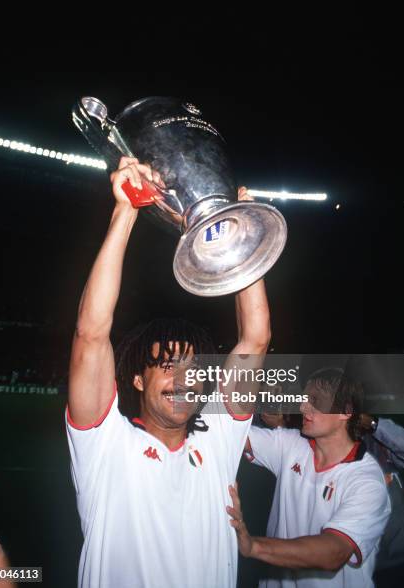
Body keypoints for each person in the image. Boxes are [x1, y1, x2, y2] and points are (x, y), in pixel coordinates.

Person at [66, 157, 271, 588]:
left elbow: (254, 340)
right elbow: (91, 334)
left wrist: (242, 233)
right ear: (137, 379)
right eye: (166, 367)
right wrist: (126, 211)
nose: (183, 381)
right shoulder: (105, 447)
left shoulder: (217, 442)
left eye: (193, 370)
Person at [227, 367, 391, 587]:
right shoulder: (291, 444)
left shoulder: (366, 480)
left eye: (315, 400)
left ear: (345, 411)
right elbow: (230, 434)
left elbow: (334, 552)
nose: (303, 406)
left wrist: (253, 546)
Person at [360, 413, 404, 585]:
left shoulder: (377, 442)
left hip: (403, 559)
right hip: (359, 567)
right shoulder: (324, 449)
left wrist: (374, 425)